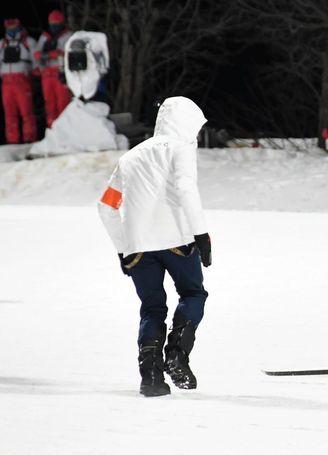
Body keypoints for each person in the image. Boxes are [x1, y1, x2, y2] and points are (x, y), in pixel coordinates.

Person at [98, 96, 212, 397]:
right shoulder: (181, 149)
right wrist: (202, 235)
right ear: (187, 123)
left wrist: (123, 249)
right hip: (176, 240)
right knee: (193, 293)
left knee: (152, 309)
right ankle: (177, 354)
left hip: (137, 248)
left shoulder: (130, 157)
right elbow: (187, 189)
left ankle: (151, 377)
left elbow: (106, 207)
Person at [0, 18, 37, 144]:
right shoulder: (2, 44)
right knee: (9, 114)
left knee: (26, 112)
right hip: (6, 83)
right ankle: (12, 141)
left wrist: (36, 73)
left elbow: (36, 61)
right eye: (9, 27)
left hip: (22, 81)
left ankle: (29, 138)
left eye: (14, 27)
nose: (11, 30)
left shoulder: (28, 42)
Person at [34, 10, 72, 127]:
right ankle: (52, 130)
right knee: (50, 105)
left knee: (63, 103)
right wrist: (48, 55)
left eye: (56, 23)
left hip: (61, 74)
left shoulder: (68, 36)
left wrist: (54, 54)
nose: (54, 26)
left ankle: (65, 129)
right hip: (46, 75)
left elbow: (68, 53)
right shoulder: (45, 37)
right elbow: (36, 53)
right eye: (52, 23)